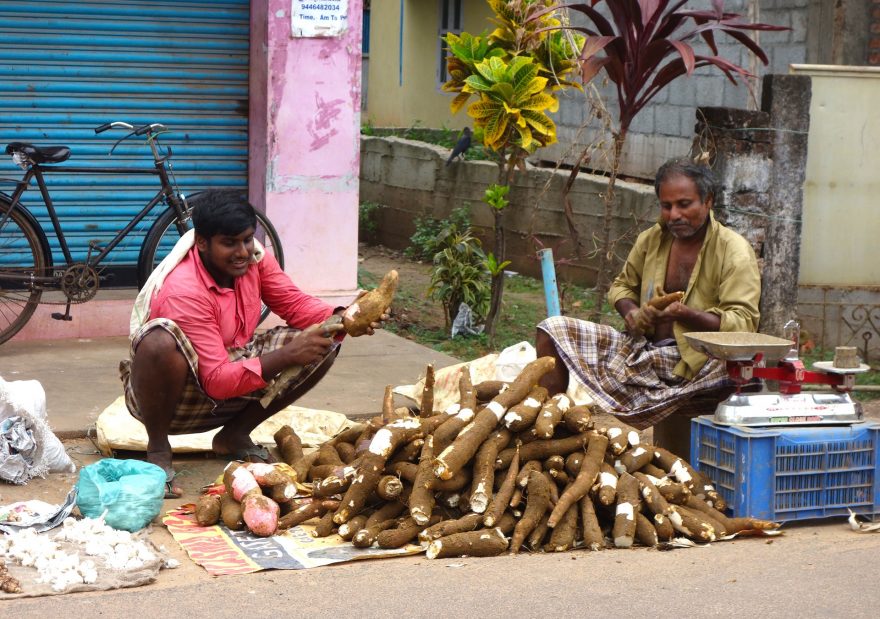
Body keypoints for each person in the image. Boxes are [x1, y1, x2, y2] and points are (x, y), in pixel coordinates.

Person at [119, 190, 387, 497]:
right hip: (179, 396)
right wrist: (287, 355)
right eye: (229, 243)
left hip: (232, 369)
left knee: (324, 338)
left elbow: (293, 303)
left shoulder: (254, 258)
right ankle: (158, 450)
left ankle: (233, 435)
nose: (243, 252)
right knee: (158, 343)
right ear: (202, 243)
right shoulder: (184, 290)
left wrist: (347, 317)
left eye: (247, 239)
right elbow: (216, 381)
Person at [536, 157, 761, 457]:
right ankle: (548, 434)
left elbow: (744, 323)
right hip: (642, 352)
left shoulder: (734, 251)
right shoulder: (652, 239)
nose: (674, 215)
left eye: (684, 204)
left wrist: (685, 314)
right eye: (666, 206)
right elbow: (621, 286)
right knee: (552, 329)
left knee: (728, 370)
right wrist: (631, 313)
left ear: (708, 201)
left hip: (696, 366)